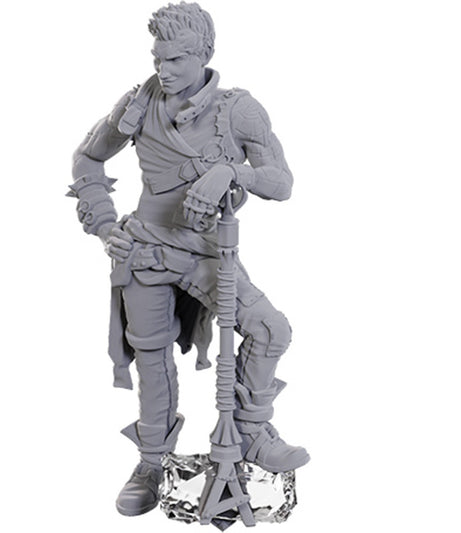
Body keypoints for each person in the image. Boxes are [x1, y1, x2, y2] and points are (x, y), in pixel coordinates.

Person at [69, 2, 309, 517]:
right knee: (151, 362)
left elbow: (281, 182)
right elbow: (87, 157)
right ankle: (152, 462)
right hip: (144, 250)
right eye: (158, 58)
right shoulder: (138, 103)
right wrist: (105, 226)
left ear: (204, 54)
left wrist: (233, 173)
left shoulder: (239, 110)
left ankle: (251, 432)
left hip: (206, 251)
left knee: (269, 329)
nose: (164, 69)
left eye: (176, 59)